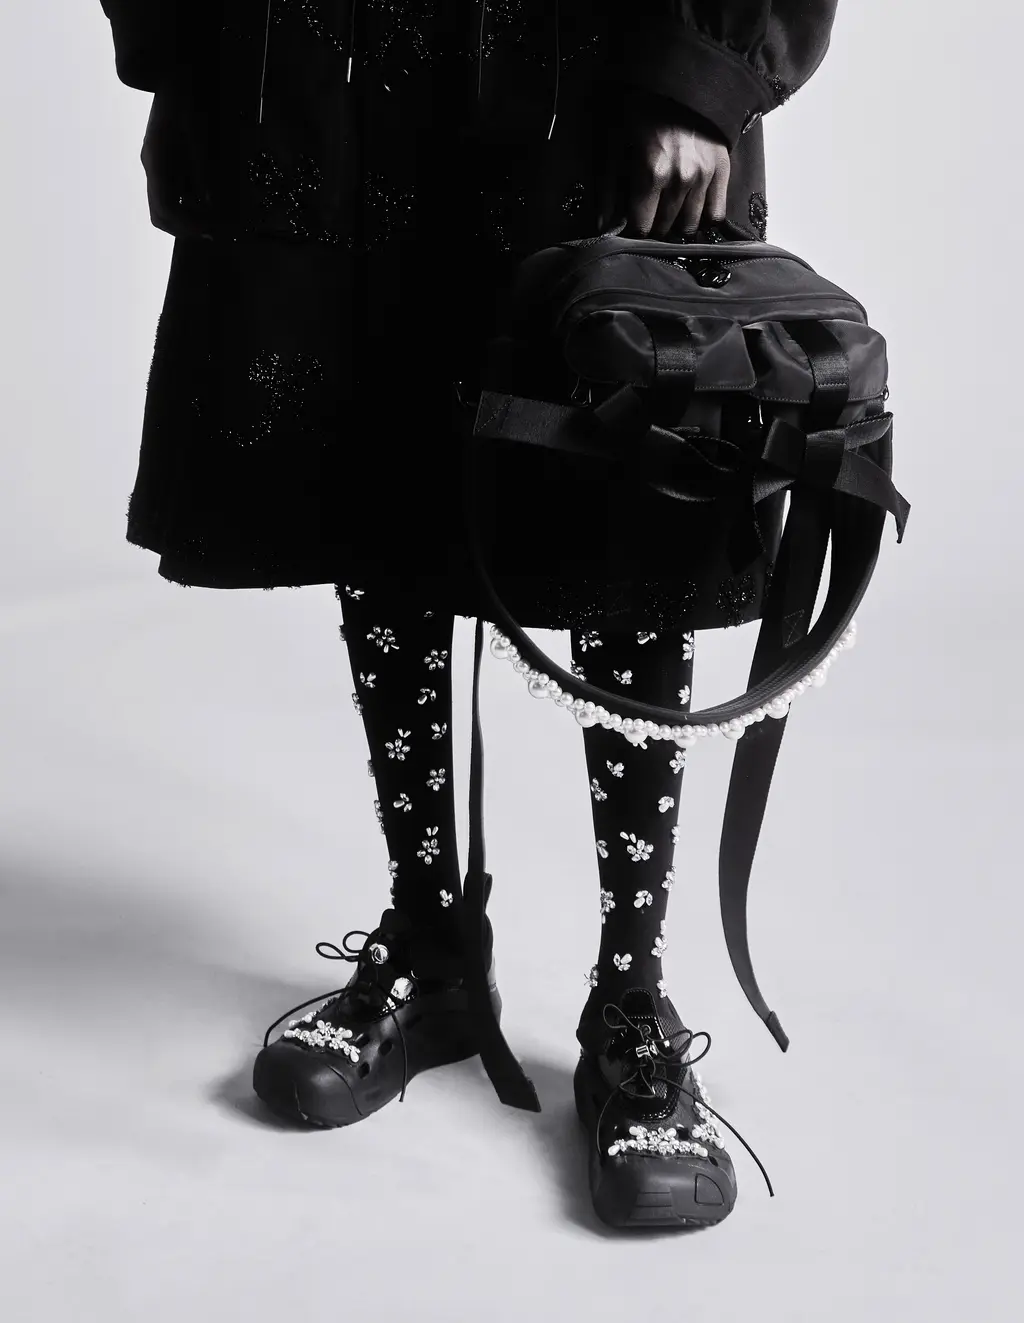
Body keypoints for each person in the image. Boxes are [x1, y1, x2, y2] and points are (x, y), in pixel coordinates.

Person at [99, 1, 841, 1229]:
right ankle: (432, 945)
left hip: (591, 66)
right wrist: (194, 49)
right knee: (379, 483)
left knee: (628, 485)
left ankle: (632, 998)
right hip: (328, 60)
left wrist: (702, 74)